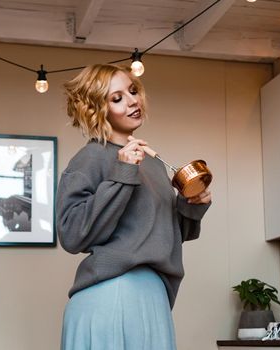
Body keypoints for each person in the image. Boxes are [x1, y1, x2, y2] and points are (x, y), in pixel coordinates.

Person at [56, 63, 211, 350]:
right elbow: (72, 234)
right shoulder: (90, 158)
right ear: (97, 109)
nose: (132, 101)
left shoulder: (150, 162)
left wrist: (191, 205)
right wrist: (122, 173)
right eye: (117, 98)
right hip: (111, 295)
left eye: (132, 90)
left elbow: (160, 233)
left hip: (153, 296)